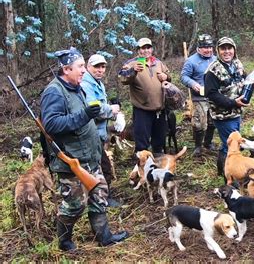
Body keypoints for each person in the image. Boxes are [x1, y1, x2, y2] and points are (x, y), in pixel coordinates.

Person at [40, 47, 128, 251]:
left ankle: (104, 236)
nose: (83, 70)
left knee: (99, 195)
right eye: (80, 66)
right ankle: (64, 242)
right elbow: (51, 125)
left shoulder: (76, 86)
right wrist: (85, 115)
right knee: (74, 205)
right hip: (71, 160)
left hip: (89, 156)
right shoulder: (54, 92)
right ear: (66, 69)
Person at [204, 37, 250, 180]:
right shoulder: (212, 70)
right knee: (231, 146)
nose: (227, 51)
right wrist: (232, 103)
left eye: (229, 48)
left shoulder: (237, 64)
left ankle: (222, 172)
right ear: (218, 51)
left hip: (236, 112)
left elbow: (243, 78)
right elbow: (211, 93)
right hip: (222, 115)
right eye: (223, 49)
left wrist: (251, 83)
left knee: (229, 143)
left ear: (234, 50)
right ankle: (229, 177)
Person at [119, 37, 171, 156]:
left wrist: (166, 76)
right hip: (142, 109)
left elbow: (168, 76)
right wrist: (133, 70)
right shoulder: (131, 63)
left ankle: (157, 164)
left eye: (148, 47)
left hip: (160, 109)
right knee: (142, 142)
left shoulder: (158, 63)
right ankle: (141, 167)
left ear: (151, 49)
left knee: (159, 140)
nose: (146, 50)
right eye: (143, 48)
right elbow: (122, 79)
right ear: (138, 50)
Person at [82, 54, 121, 207]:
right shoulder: (86, 85)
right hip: (91, 135)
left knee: (101, 166)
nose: (100, 70)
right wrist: (112, 110)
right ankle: (102, 199)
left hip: (99, 134)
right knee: (102, 168)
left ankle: (101, 197)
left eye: (103, 67)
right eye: (96, 66)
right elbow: (94, 109)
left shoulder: (97, 83)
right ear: (88, 67)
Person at [181, 34, 217, 157]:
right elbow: (184, 76)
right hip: (199, 97)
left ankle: (208, 142)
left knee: (213, 121)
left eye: (210, 47)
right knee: (200, 123)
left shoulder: (216, 59)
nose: (208, 50)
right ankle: (198, 146)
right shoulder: (191, 61)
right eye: (205, 47)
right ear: (199, 48)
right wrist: (192, 83)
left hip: (214, 96)